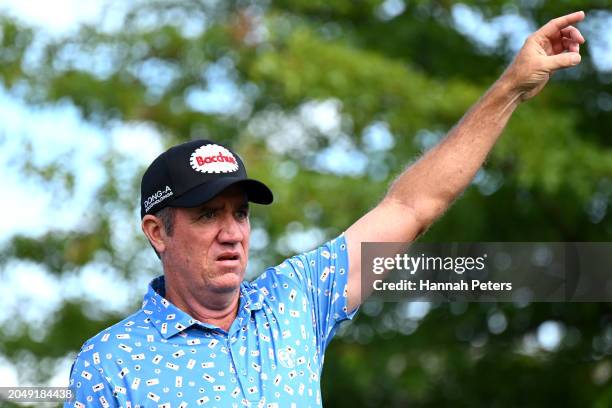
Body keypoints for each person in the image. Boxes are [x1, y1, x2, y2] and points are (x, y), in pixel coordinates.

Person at [65, 11, 586, 408]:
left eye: (240, 213)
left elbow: (412, 203)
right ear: (158, 232)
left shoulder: (294, 300)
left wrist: (511, 87)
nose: (232, 233)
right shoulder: (110, 361)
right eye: (207, 215)